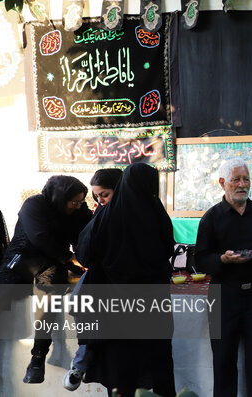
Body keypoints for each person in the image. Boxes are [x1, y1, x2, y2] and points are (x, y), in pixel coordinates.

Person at [76, 163, 176, 397]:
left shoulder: (108, 216)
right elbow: (167, 251)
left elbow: (85, 254)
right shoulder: (157, 213)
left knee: (120, 372)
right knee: (159, 365)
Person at [195, 158, 252, 397]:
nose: (242, 184)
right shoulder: (211, 218)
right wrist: (223, 260)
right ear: (222, 183)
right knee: (223, 363)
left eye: (245, 179)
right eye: (236, 179)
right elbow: (201, 260)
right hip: (223, 296)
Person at [0, 176, 92, 384]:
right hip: (22, 259)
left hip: (53, 264)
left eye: (80, 202)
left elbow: (88, 232)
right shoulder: (35, 204)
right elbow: (39, 237)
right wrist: (69, 258)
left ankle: (37, 358)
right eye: (74, 201)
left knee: (49, 296)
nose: (78, 206)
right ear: (60, 196)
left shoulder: (78, 212)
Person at [62, 168, 122, 392]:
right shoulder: (101, 212)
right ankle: (79, 364)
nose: (101, 200)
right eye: (97, 196)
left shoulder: (130, 214)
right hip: (98, 280)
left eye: (105, 194)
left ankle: (79, 364)